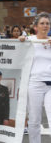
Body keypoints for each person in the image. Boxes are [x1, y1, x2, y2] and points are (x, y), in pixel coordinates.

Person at [19, 12, 51, 143]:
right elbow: (17, 51)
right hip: (34, 83)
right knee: (34, 120)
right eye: (42, 23)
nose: (45, 26)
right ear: (36, 26)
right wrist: (21, 40)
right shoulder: (30, 40)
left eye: (47, 23)